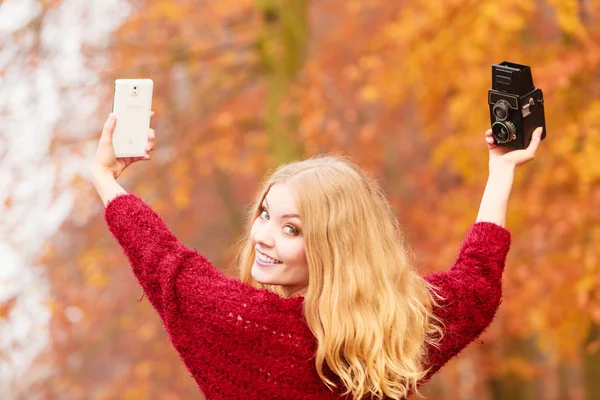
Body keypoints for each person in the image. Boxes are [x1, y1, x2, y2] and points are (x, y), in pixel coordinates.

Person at [90, 111, 543, 400]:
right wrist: (501, 171)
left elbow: (165, 263)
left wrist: (106, 179)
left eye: (291, 229)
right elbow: (477, 283)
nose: (263, 236)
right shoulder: (397, 327)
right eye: (265, 215)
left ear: (335, 248)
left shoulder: (239, 325)